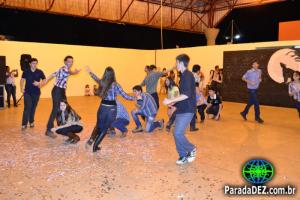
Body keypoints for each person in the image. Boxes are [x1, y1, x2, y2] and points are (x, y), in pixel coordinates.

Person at [86, 66, 135, 152]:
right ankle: (95, 146)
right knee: (105, 129)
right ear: (113, 74)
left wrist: (90, 72)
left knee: (99, 126)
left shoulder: (102, 83)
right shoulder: (116, 85)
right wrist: (135, 98)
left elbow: (96, 78)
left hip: (102, 107)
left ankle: (92, 141)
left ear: (105, 74)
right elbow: (125, 96)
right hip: (112, 109)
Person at [163, 54, 197, 165]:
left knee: (177, 133)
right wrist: (174, 103)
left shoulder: (188, 75)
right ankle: (182, 155)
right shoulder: (183, 75)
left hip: (188, 109)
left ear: (181, 63)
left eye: (176, 62)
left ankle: (191, 148)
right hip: (182, 108)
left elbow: (187, 94)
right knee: (177, 133)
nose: (175, 65)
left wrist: (169, 101)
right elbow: (183, 94)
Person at [44, 56, 81, 138]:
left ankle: (63, 125)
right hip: (57, 91)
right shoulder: (64, 69)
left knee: (64, 107)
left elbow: (52, 75)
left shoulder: (61, 69)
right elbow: (69, 72)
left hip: (61, 91)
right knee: (55, 109)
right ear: (64, 62)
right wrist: (74, 73)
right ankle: (48, 129)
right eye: (68, 61)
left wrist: (44, 82)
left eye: (71, 62)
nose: (70, 63)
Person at [20, 58, 46, 130]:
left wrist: (39, 83)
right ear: (30, 64)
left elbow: (44, 80)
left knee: (33, 108)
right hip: (27, 92)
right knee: (27, 107)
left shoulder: (39, 71)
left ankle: (31, 121)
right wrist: (21, 88)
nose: (35, 65)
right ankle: (24, 124)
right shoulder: (26, 71)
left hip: (36, 93)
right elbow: (22, 80)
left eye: (36, 63)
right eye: (33, 63)